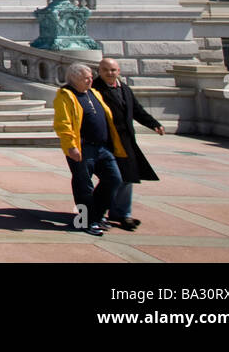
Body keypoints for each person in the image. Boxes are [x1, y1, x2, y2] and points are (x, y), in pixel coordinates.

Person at [52, 62, 126, 236]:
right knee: (83, 186)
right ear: (75, 78)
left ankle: (97, 215)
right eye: (87, 78)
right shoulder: (66, 95)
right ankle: (86, 221)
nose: (91, 80)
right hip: (82, 148)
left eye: (91, 77)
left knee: (114, 179)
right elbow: (63, 123)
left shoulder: (93, 93)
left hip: (102, 148)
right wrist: (70, 146)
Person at [94, 57, 163, 231]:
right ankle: (98, 213)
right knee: (111, 178)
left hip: (126, 141)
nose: (110, 73)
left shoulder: (124, 89)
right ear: (99, 71)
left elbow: (137, 110)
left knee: (127, 178)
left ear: (118, 71)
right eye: (106, 70)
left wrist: (154, 124)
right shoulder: (94, 89)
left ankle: (122, 214)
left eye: (113, 70)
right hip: (106, 141)